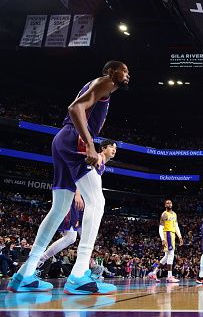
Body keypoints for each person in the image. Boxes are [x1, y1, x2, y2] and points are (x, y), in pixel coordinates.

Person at [8, 61, 130, 294]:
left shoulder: (101, 87)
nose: (128, 75)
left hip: (62, 140)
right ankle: (79, 274)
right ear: (111, 71)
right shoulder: (104, 82)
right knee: (97, 202)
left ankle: (25, 273)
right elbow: (75, 108)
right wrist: (90, 145)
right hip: (75, 139)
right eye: (124, 70)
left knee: (59, 209)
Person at [37, 140, 117, 273]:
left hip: (78, 200)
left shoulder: (102, 162)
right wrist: (78, 194)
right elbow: (81, 173)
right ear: (103, 148)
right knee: (70, 236)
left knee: (76, 236)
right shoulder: (97, 157)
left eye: (116, 148)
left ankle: (82, 267)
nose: (114, 150)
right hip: (72, 197)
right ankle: (39, 260)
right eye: (111, 147)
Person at [148, 200, 183, 283]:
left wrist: (180, 237)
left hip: (172, 234)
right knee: (171, 254)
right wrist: (163, 239)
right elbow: (160, 227)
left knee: (167, 256)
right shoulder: (164, 214)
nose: (169, 204)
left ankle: (153, 273)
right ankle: (169, 276)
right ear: (165, 205)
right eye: (167, 203)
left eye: (170, 203)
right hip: (167, 234)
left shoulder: (174, 214)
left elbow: (176, 226)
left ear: (172, 204)